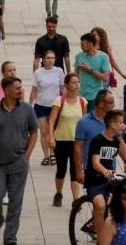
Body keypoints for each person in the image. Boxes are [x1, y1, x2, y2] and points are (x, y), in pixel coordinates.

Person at [0, 75, 39, 244]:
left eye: (21, 87)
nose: (21, 90)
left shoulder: (27, 109)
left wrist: (27, 155)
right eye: (17, 88)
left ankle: (10, 238)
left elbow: (34, 132)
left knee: (15, 202)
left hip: (19, 163)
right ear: (7, 91)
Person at [85, 109, 126, 234]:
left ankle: (117, 226)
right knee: (100, 206)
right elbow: (95, 163)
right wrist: (105, 171)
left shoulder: (116, 141)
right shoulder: (97, 140)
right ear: (112, 124)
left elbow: (121, 151)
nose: (123, 126)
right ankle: (101, 238)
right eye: (121, 123)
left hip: (110, 179)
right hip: (94, 180)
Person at [48, 72, 87, 207]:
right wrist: (51, 137)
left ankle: (76, 200)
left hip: (77, 142)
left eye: (78, 82)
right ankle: (58, 193)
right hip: (61, 140)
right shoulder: (60, 100)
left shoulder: (83, 101)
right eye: (73, 82)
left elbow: (84, 122)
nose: (77, 85)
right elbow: (52, 120)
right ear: (67, 85)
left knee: (76, 171)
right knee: (61, 169)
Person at [31, 51, 66, 166]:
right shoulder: (38, 73)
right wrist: (29, 105)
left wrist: (66, 102)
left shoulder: (59, 71)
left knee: (54, 131)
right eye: (48, 58)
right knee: (44, 131)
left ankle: (53, 154)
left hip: (55, 105)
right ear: (43, 59)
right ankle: (46, 155)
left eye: (52, 58)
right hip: (41, 104)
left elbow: (62, 87)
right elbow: (34, 90)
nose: (50, 60)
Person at [76, 33, 112, 111]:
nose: (81, 46)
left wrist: (90, 70)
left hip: (95, 95)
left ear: (90, 44)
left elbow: (105, 77)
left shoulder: (103, 57)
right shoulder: (79, 56)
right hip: (81, 95)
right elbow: (75, 75)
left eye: (83, 44)